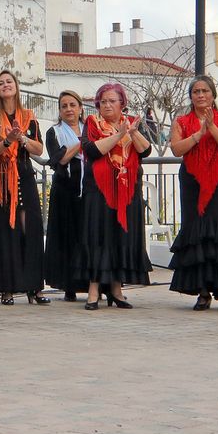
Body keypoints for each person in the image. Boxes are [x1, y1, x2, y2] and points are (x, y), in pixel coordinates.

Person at [167, 76, 218, 313]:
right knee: (198, 232)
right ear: (191, 96)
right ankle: (203, 291)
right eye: (195, 91)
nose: (200, 95)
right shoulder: (181, 121)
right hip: (192, 180)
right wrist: (197, 134)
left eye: (205, 91)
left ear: (213, 95)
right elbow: (176, 149)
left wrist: (211, 127)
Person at [80, 82, 153, 309]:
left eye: (112, 101)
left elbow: (145, 150)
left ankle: (116, 289)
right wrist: (119, 135)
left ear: (122, 103)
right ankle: (93, 290)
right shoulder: (92, 123)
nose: (107, 105)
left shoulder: (130, 125)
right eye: (103, 102)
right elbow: (92, 150)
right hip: (100, 190)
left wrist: (131, 133)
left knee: (120, 238)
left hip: (127, 190)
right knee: (98, 238)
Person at [0, 70, 47, 306]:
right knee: (3, 230)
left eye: (9, 82)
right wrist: (6, 141)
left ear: (17, 86)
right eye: (1, 83)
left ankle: (34, 287)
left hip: (24, 174)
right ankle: (6, 288)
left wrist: (21, 139)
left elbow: (39, 150)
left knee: (30, 228)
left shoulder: (28, 116)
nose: (6, 85)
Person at [43, 90, 87, 302]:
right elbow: (59, 159)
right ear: (59, 111)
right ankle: (69, 285)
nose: (69, 109)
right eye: (64, 106)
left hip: (89, 190)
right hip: (65, 191)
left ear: (80, 108)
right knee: (67, 238)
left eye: (72, 105)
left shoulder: (92, 128)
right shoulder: (55, 132)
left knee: (87, 236)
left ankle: (93, 282)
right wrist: (82, 143)